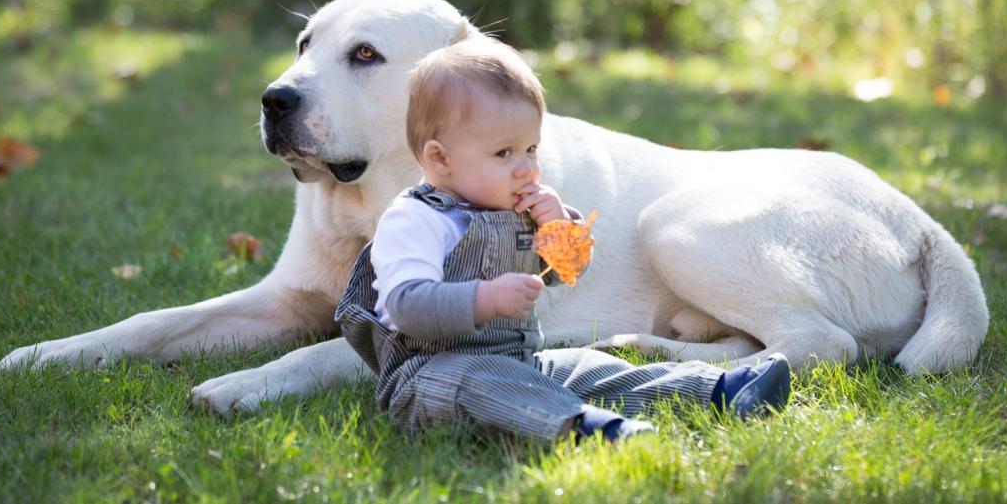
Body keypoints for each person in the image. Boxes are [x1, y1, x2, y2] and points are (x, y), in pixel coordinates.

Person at [335, 37, 791, 444]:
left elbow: (566, 275)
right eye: (504, 153)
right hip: (430, 377)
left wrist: (559, 231)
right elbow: (406, 306)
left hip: (519, 358)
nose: (526, 168)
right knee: (486, 386)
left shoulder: (512, 207)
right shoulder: (414, 220)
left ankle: (717, 391)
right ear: (439, 158)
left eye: (530, 149)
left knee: (589, 368)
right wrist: (486, 298)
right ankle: (590, 428)